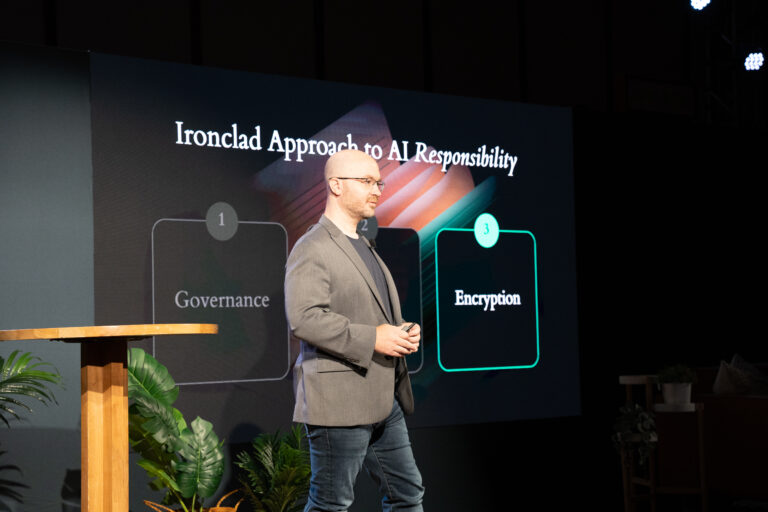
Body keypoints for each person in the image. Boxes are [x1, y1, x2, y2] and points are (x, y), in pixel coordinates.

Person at [284, 148, 425, 511]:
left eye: (379, 181)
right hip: (339, 403)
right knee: (331, 504)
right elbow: (304, 317)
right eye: (366, 181)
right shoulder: (312, 247)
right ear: (335, 185)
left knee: (407, 495)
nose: (377, 189)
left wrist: (400, 331)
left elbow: (368, 311)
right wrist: (374, 337)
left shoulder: (364, 244)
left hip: (383, 398)